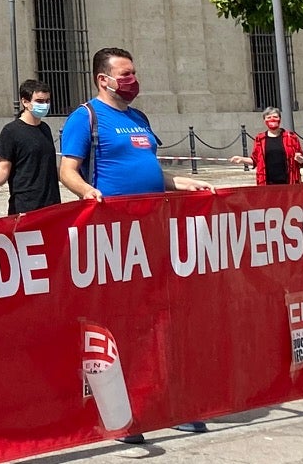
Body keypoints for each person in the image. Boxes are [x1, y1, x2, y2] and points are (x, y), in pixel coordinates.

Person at [57, 47, 211, 443]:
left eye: (133, 73)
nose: (132, 80)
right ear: (103, 79)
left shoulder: (138, 119)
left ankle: (164, 401)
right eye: (125, 74)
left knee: (159, 315)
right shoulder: (85, 117)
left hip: (151, 230)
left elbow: (149, 169)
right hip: (113, 236)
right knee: (120, 322)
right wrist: (89, 193)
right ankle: (120, 413)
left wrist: (179, 182)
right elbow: (67, 170)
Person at [0, 79, 62, 214]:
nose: (44, 105)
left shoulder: (45, 128)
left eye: (47, 101)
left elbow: (48, 164)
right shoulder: (11, 131)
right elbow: (4, 168)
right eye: (39, 101)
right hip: (25, 206)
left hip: (51, 204)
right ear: (25, 102)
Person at [240, 108, 303, 186]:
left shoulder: (291, 137)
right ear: (264, 121)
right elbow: (255, 160)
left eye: (275, 117)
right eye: (269, 117)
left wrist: (299, 159)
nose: (272, 119)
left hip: (289, 182)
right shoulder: (260, 139)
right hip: (266, 183)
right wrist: (241, 159)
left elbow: (301, 159)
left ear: (280, 119)